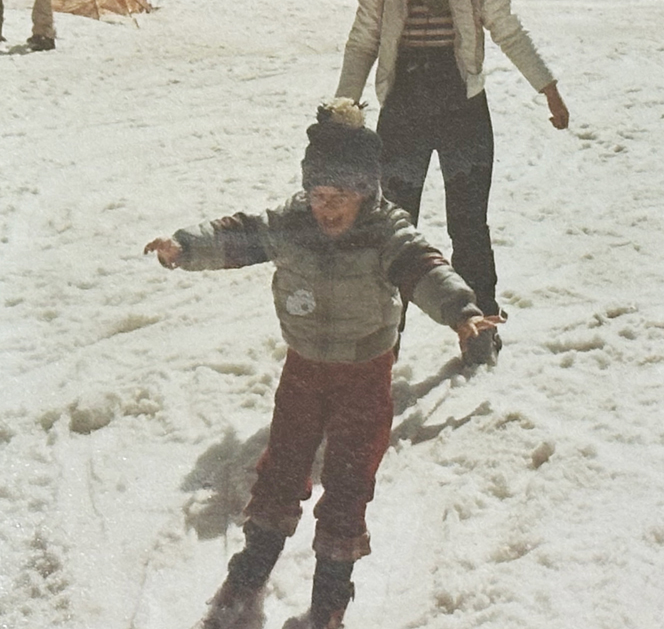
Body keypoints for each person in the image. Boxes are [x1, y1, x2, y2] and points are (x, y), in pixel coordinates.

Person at [143, 99, 503, 629]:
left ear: (366, 192)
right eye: (318, 195)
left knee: (350, 480)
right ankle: (253, 565)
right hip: (304, 370)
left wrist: (461, 312)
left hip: (365, 375)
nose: (326, 208)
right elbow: (238, 234)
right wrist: (185, 246)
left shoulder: (385, 233)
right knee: (282, 467)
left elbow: (425, 268)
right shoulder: (291, 226)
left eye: (340, 197)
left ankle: (331, 595)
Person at [334, 0, 571, 367]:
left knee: (469, 226)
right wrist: (344, 108)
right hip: (402, 113)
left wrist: (547, 88)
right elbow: (361, 45)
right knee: (394, 228)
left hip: (463, 110)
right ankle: (382, 341)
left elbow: (509, 32)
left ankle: (479, 326)